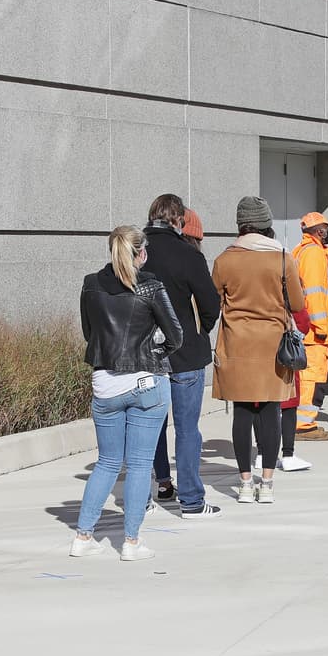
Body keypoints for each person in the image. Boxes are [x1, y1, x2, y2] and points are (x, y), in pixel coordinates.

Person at [72, 226, 183, 558]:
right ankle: (131, 541)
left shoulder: (91, 284)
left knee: (106, 462)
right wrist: (152, 353)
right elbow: (175, 335)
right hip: (146, 383)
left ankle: (82, 537)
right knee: (138, 465)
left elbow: (88, 332)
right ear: (142, 252)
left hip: (105, 383)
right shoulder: (149, 286)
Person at [213, 196, 306, 503]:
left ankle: (243, 483)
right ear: (267, 224)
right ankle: (266, 483)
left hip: (236, 345)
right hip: (272, 347)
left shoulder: (225, 260)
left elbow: (213, 304)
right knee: (271, 412)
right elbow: (297, 303)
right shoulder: (281, 257)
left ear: (240, 225)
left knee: (241, 413)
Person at [142, 194, 222, 519]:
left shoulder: (137, 252)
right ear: (179, 221)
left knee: (151, 426)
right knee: (188, 428)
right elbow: (210, 303)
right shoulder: (188, 255)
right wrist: (201, 326)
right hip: (186, 352)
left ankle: (160, 484)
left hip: (146, 354)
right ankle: (190, 500)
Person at [293, 212, 328, 439]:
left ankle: (305, 422)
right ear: (319, 231)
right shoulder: (313, 254)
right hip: (316, 333)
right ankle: (303, 426)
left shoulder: (306, 251)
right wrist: (321, 327)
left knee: (310, 378)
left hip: (313, 331)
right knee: (311, 378)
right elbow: (315, 294)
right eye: (325, 227)